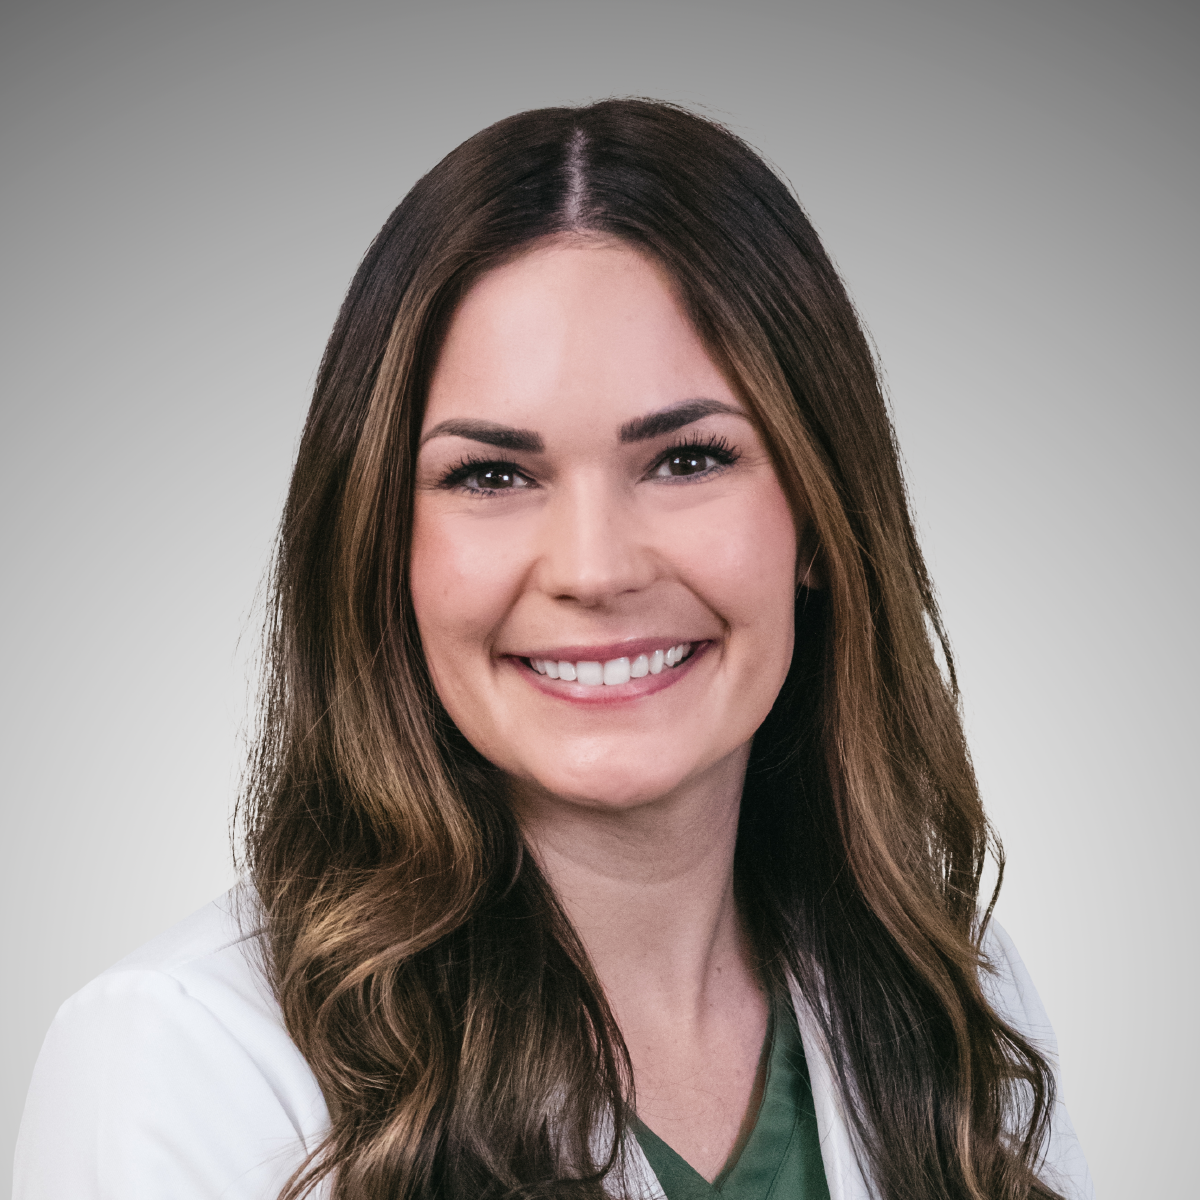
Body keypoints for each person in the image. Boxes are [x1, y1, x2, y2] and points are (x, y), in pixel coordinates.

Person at [14, 99, 1094, 1200]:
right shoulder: (186, 1067)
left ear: (818, 517)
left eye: (687, 459)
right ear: (385, 547)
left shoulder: (956, 994)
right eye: (491, 476)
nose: (594, 568)